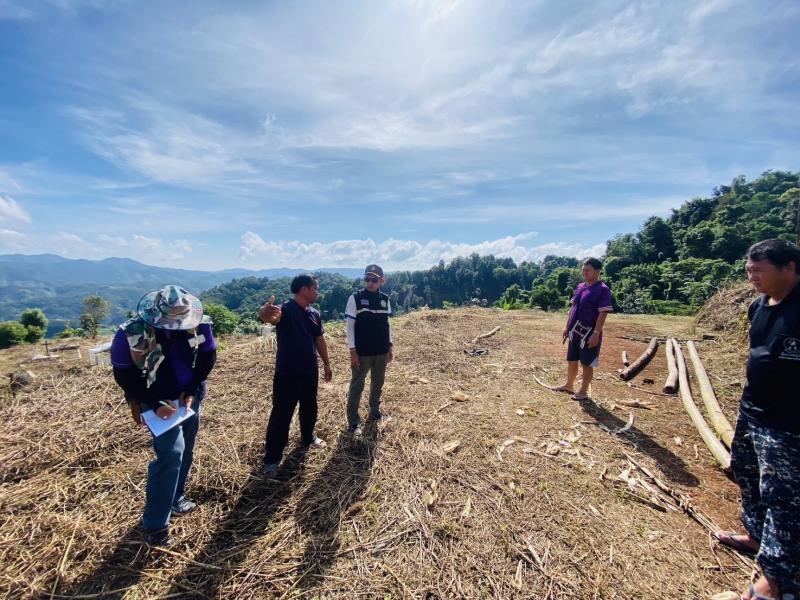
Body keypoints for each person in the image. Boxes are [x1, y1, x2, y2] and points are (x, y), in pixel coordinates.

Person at [713, 239, 800, 600]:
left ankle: (777, 580)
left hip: (788, 422)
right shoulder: (758, 306)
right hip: (752, 409)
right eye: (749, 270)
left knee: (784, 497)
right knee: (746, 473)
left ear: (789, 267)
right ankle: (755, 535)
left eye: (759, 270)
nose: (752, 277)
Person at [110, 285, 217, 546]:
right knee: (171, 454)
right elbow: (124, 375)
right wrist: (153, 403)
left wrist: (192, 390)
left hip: (188, 396)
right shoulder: (131, 333)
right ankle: (156, 525)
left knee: (187, 448)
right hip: (154, 397)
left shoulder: (199, 325)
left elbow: (207, 356)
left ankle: (176, 497)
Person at [259, 274, 332, 478]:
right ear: (303, 289)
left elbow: (319, 339)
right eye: (315, 288)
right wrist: (264, 311)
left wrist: (327, 364)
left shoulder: (314, 313)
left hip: (310, 370)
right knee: (282, 413)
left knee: (310, 406)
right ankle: (272, 459)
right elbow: (270, 317)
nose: (317, 292)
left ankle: (308, 437)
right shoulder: (286, 309)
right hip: (288, 372)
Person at [344, 264, 394, 435]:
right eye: (367, 278)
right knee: (357, 386)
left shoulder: (385, 299)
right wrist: (352, 351)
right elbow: (349, 327)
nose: (370, 282)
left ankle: (374, 412)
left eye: (374, 279)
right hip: (362, 352)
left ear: (382, 280)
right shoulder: (355, 298)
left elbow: (387, 324)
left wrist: (390, 345)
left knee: (378, 383)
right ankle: (353, 422)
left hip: (381, 350)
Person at [556, 257, 613, 400]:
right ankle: (569, 385)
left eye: (588, 270)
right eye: (583, 270)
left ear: (597, 272)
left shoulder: (603, 290)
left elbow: (603, 313)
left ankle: (583, 390)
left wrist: (596, 333)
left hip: (590, 332)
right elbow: (573, 308)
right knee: (572, 359)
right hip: (574, 331)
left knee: (587, 362)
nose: (584, 272)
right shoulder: (581, 287)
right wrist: (567, 327)